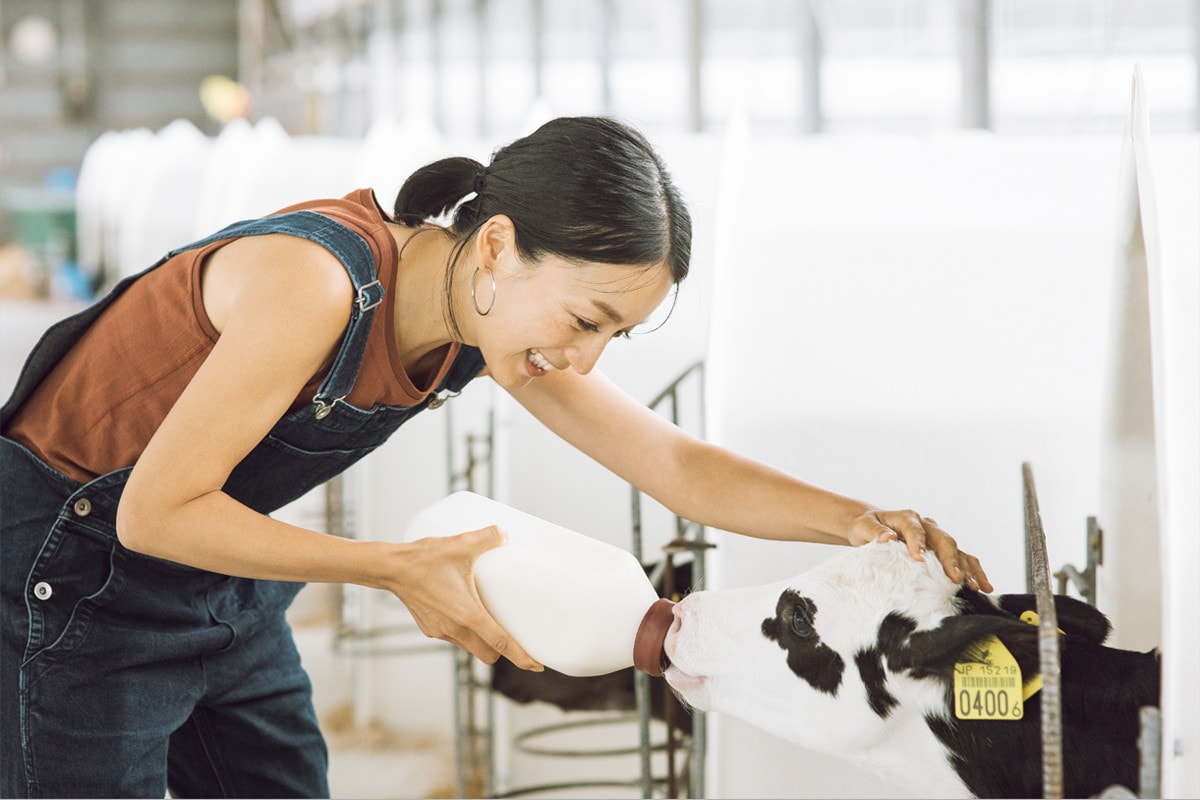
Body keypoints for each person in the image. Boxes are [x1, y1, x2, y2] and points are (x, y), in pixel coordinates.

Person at [0, 116, 991, 798]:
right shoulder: (319, 281)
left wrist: (860, 518)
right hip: (74, 570)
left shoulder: (480, 323)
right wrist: (394, 569)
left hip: (215, 575)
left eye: (615, 337)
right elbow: (155, 510)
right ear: (496, 246)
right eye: (586, 317)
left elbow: (677, 466)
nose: (584, 357)